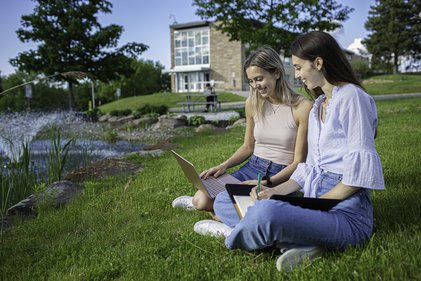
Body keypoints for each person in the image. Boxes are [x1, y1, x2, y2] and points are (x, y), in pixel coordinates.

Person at [193, 31, 385, 272]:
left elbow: (357, 179)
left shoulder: (352, 97)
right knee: (224, 200)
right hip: (316, 203)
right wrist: (272, 190)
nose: (295, 75)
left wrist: (306, 206)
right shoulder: (318, 106)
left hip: (346, 214)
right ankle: (305, 243)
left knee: (267, 214)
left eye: (298, 67)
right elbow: (306, 171)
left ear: (318, 62)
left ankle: (231, 234)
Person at [172, 46, 312, 212]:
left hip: (280, 174)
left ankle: (223, 219)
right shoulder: (253, 103)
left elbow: (299, 162)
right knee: (201, 200)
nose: (255, 86)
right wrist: (223, 166)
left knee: (252, 209)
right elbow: (248, 147)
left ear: (276, 73)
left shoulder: (301, 107)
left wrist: (268, 182)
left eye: (259, 79)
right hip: (253, 166)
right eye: (251, 81)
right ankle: (210, 208)